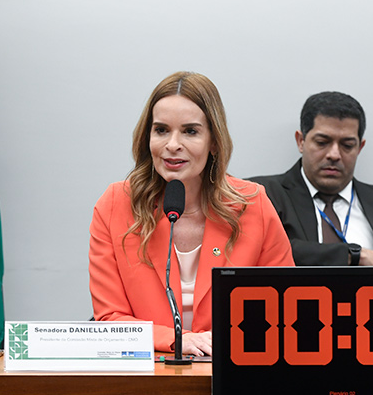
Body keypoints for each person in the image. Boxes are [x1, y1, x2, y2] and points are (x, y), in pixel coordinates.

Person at [88, 72, 294, 355]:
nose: (173, 144)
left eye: (190, 131)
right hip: (149, 379)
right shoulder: (115, 204)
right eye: (161, 130)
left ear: (213, 142)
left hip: (234, 371)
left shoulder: (252, 204)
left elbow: (285, 307)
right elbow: (110, 318)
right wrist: (175, 339)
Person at [251, 92, 373, 266]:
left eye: (347, 145)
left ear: (360, 147)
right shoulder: (261, 194)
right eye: (322, 142)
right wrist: (356, 256)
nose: (334, 155)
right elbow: (262, 250)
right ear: (301, 141)